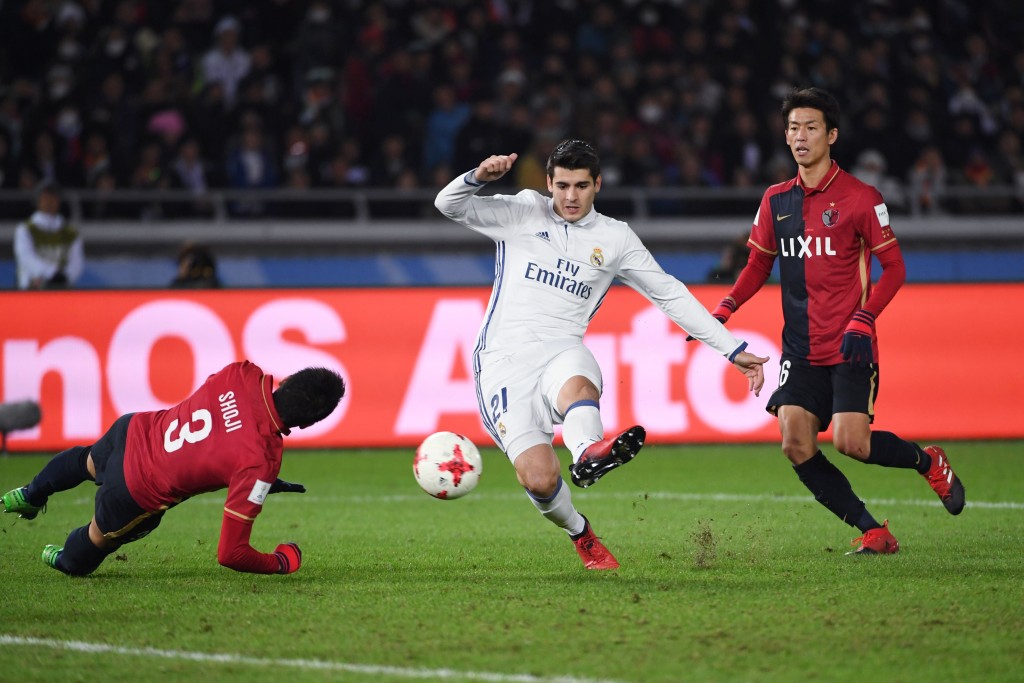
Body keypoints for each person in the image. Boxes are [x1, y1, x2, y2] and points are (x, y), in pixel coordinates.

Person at [434, 139, 769, 570]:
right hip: (503, 362)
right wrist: (479, 177)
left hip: (563, 348)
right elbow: (447, 204)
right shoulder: (523, 211)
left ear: (598, 185)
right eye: (562, 186)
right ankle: (581, 532)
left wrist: (732, 349)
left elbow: (669, 293)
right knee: (540, 479)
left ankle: (589, 453)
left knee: (579, 381)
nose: (571, 196)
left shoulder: (614, 237)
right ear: (548, 183)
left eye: (581, 186)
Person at [702, 87, 965, 555]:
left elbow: (895, 268)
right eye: (793, 128)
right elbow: (758, 265)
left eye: (811, 127)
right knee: (795, 443)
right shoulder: (775, 199)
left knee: (852, 444)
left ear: (832, 135)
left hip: (850, 344)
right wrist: (726, 307)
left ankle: (928, 462)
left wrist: (864, 318)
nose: (801, 137)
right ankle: (873, 531)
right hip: (800, 349)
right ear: (785, 137)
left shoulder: (862, 197)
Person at [2, 361, 345, 576]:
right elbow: (231, 553)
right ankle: (61, 558)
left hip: (133, 430)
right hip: (135, 489)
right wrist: (281, 561)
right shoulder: (261, 461)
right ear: (306, 424)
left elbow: (219, 430)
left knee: (84, 460)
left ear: (288, 379)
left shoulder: (242, 373)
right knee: (97, 539)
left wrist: (256, 479)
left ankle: (31, 494)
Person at [13, 181, 84, 290]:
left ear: (59, 201)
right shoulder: (25, 230)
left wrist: (64, 278)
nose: (49, 202)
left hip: (62, 289)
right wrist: (51, 274)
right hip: (31, 289)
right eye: (45, 197)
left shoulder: (71, 233)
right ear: (37, 201)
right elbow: (26, 258)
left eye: (53, 197)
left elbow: (77, 264)